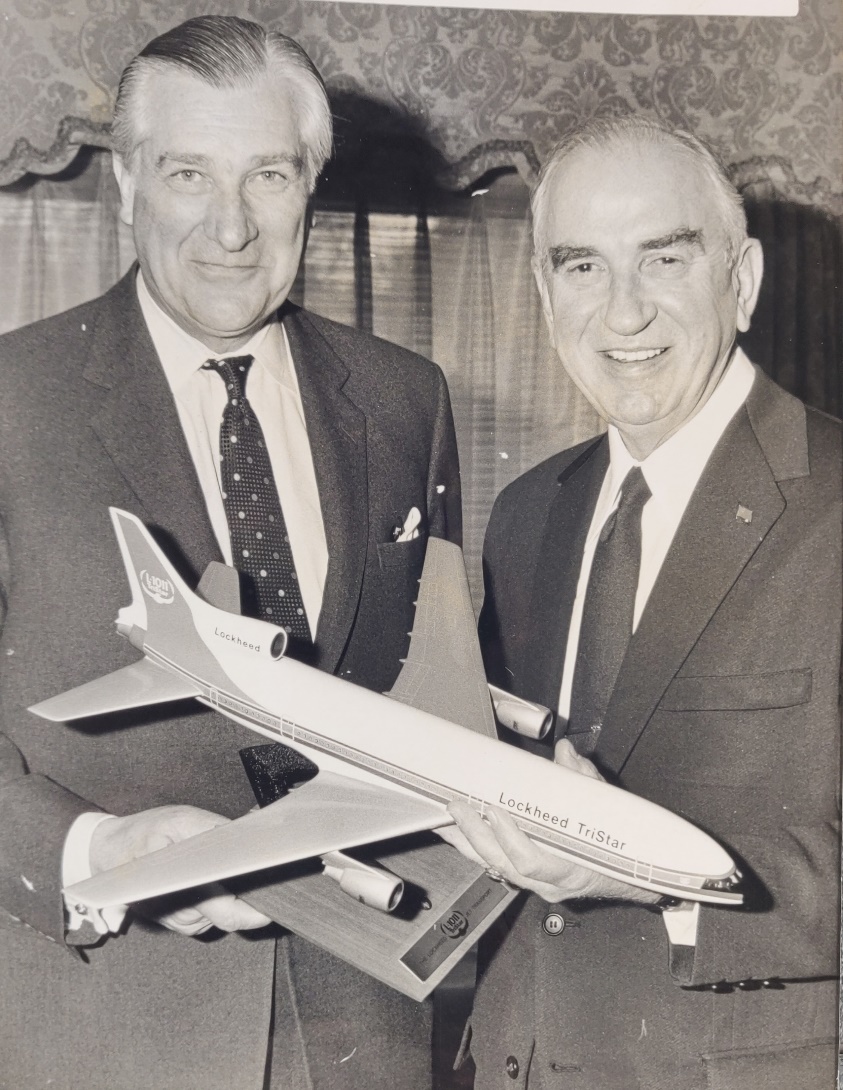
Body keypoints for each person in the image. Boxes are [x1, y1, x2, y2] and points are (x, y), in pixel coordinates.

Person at [0, 16, 460, 1090]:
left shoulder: (404, 401)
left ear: (310, 185)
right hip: (102, 1027)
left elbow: (438, 696)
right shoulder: (12, 401)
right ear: (125, 184)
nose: (231, 227)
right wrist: (86, 854)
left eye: (267, 175)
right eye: (188, 174)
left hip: (365, 1030)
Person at [442, 116, 840, 1089]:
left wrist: (647, 867)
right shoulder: (531, 511)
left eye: (663, 258)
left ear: (740, 283)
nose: (622, 315)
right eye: (581, 268)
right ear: (543, 292)